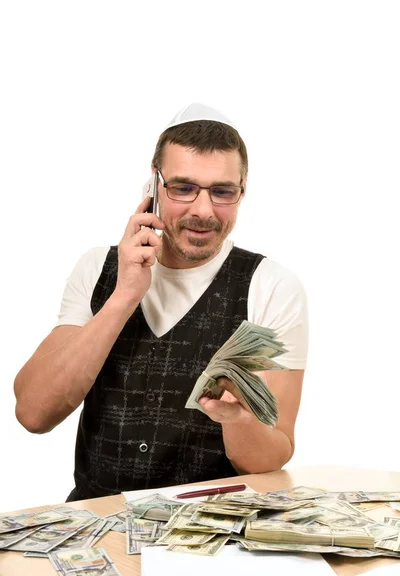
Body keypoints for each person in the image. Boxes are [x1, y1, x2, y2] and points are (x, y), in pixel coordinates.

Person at [14, 103, 308, 501]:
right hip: (98, 522)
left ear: (243, 191)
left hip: (210, 532)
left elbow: (273, 457)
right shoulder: (97, 269)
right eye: (183, 188)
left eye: (223, 192)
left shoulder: (271, 287)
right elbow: (34, 413)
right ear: (153, 187)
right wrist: (124, 295)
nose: (203, 211)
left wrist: (235, 417)